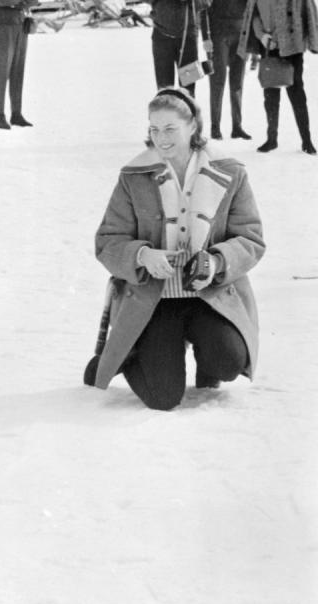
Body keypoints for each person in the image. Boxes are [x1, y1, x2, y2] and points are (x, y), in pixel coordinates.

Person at [85, 88, 265, 410]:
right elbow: (107, 241)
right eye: (154, 129)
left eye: (170, 129)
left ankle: (205, 355)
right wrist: (142, 255)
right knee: (163, 398)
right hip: (154, 301)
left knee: (229, 362)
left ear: (193, 127)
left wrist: (216, 261)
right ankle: (126, 354)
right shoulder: (134, 177)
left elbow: (250, 237)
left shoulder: (231, 171)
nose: (161, 138)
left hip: (209, 296)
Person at [237, 0, 318, 154]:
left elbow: (306, 10)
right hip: (269, 46)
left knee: (297, 93)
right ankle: (271, 139)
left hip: (293, 45)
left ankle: (306, 140)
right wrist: (262, 36)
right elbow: (254, 15)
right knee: (270, 94)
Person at [0, 0, 38, 129]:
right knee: (1, 72)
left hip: (21, 27)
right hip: (3, 28)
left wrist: (18, 4)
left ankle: (16, 114)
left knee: (18, 71)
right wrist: (21, 2)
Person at [207, 0, 251, 139]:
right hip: (219, 34)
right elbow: (204, 9)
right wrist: (206, 37)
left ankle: (237, 127)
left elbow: (253, 8)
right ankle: (215, 127)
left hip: (241, 35)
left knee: (237, 84)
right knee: (217, 82)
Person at [149, 0, 211, 96]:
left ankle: (188, 109)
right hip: (161, 37)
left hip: (188, 39)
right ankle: (166, 110)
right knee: (164, 89)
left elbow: (206, 2)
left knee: (188, 89)